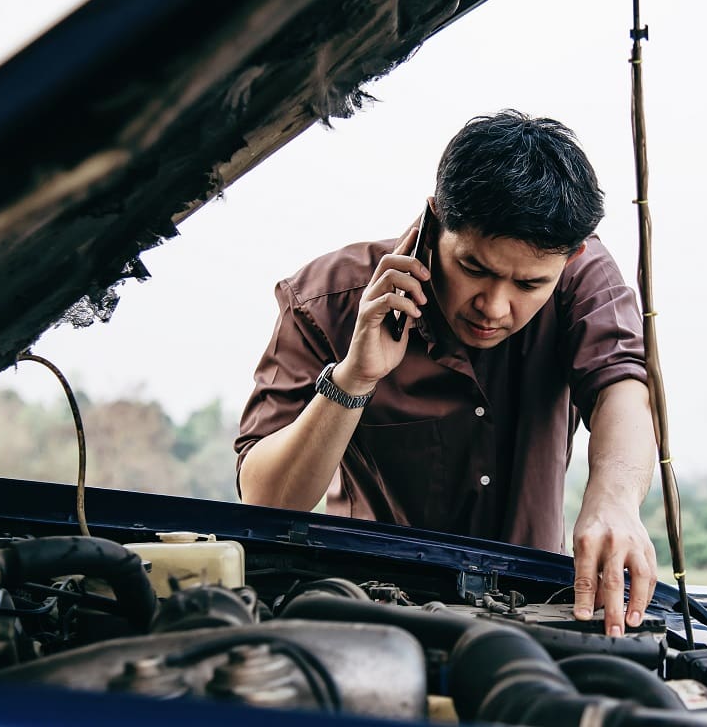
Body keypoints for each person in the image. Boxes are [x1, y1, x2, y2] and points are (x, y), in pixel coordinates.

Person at [235, 110, 657, 636]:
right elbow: (265, 502)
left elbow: (621, 383)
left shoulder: (583, 274)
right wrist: (353, 379)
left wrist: (615, 499)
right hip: (365, 612)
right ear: (435, 220)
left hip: (528, 617)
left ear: (570, 258)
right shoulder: (326, 301)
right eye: (475, 269)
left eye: (528, 285)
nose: (495, 307)